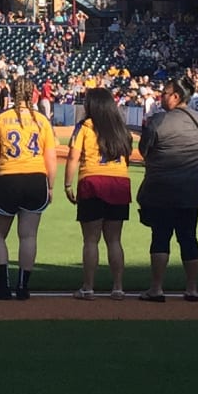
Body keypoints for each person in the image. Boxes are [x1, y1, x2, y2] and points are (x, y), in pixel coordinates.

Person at [136, 75, 198, 303]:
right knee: (189, 238)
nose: (161, 96)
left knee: (160, 238)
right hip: (192, 191)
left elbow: (143, 150)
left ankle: (157, 288)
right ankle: (192, 289)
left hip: (162, 190)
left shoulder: (159, 121)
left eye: (165, 93)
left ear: (176, 96)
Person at [0, 78, 57, 301]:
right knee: (28, 236)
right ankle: (23, 287)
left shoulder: (2, 118)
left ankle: (3, 285)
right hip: (36, 179)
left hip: (8, 177)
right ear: (32, 94)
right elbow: (51, 157)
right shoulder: (42, 121)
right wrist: (51, 186)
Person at [65, 87, 131, 300]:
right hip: (119, 182)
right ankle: (118, 287)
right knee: (114, 240)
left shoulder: (85, 126)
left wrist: (67, 184)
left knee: (91, 240)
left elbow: (73, 158)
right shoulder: (121, 128)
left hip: (92, 181)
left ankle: (88, 287)